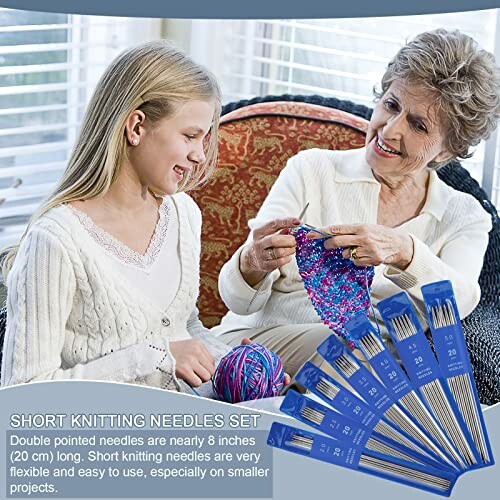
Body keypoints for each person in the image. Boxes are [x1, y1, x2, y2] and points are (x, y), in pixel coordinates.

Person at [212, 29, 500, 380]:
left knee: (376, 354)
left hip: (365, 369)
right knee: (364, 351)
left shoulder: (464, 217)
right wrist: (252, 261)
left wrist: (404, 252)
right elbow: (238, 302)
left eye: (418, 125)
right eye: (391, 105)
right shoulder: (312, 169)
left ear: (447, 150)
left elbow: (459, 303)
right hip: (258, 347)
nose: (389, 130)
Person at [1, 41, 231, 391]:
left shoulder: (184, 215)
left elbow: (184, 330)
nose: (200, 155)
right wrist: (154, 358)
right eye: (190, 136)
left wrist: (230, 361)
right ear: (136, 127)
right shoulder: (56, 241)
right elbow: (26, 393)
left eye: (204, 139)